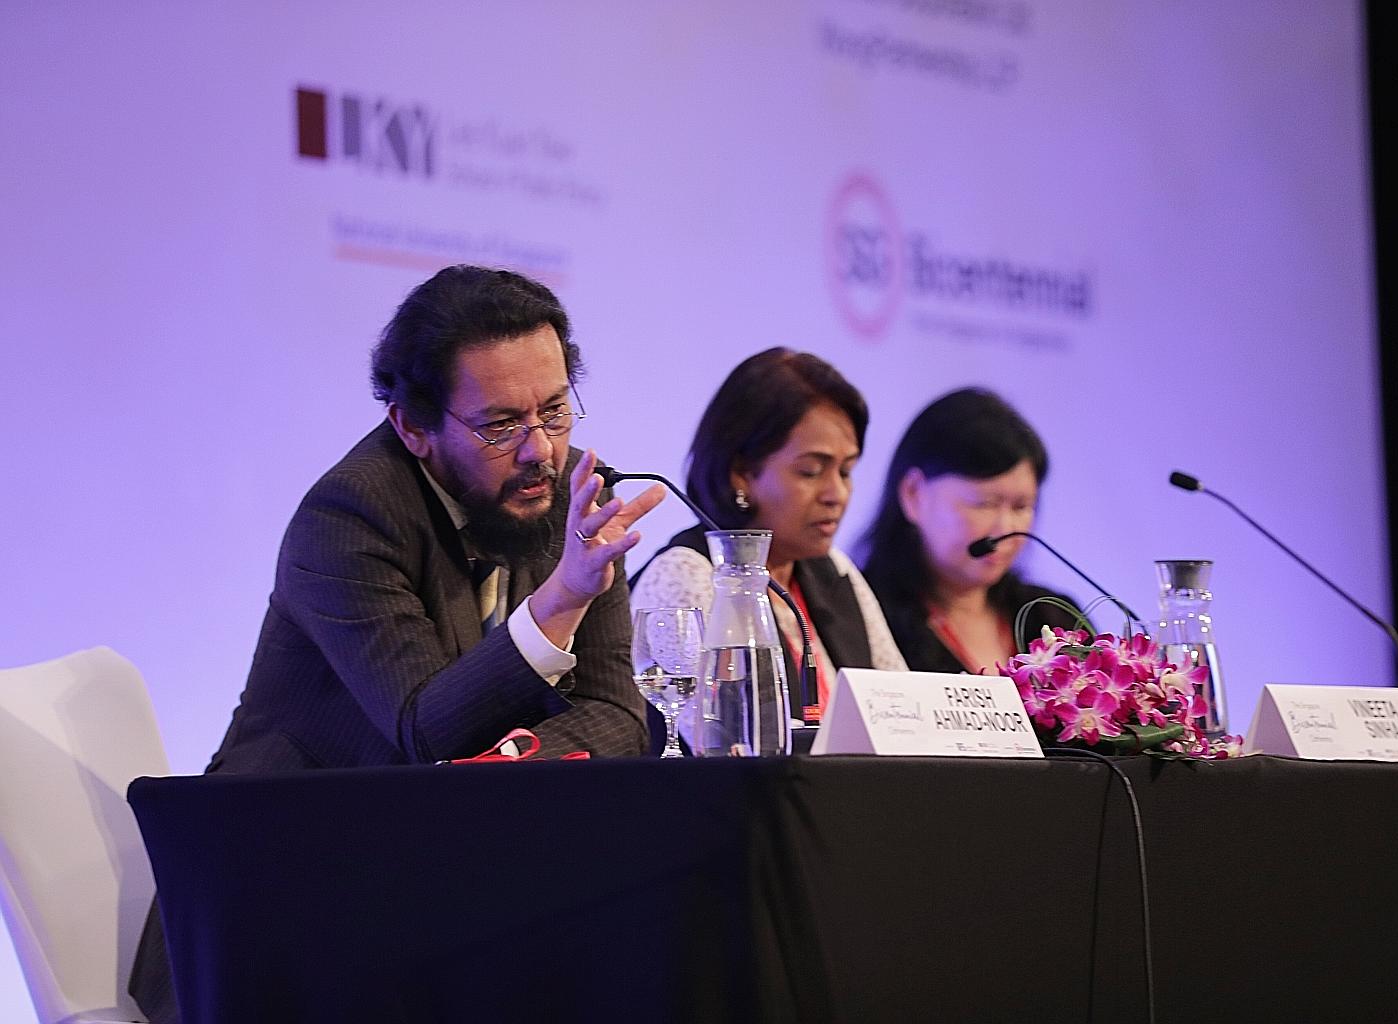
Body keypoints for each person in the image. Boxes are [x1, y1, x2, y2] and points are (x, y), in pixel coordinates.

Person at [129, 265, 663, 1022]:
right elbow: (425, 726)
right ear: (412, 426)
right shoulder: (348, 517)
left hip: (432, 894)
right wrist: (563, 598)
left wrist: (501, 770)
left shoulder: (572, 491)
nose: (540, 451)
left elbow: (618, 714)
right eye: (501, 426)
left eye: (554, 411)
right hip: (275, 909)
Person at [629, 347, 906, 722]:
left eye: (846, 471)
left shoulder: (833, 570)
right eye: (810, 471)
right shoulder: (684, 575)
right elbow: (717, 741)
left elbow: (903, 712)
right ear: (741, 472)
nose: (836, 494)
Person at [858, 387, 1081, 675]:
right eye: (985, 504)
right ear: (914, 494)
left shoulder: (1051, 617)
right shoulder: (864, 618)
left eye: (1022, 506)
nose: (1007, 529)